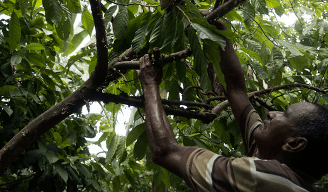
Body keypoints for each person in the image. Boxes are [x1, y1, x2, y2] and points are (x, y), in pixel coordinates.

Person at [137, 10, 328, 191]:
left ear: (294, 144)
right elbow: (236, 91)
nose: (271, 113)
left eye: (283, 114)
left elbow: (165, 151)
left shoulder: (265, 177)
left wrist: (150, 84)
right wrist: (220, 31)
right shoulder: (271, 155)